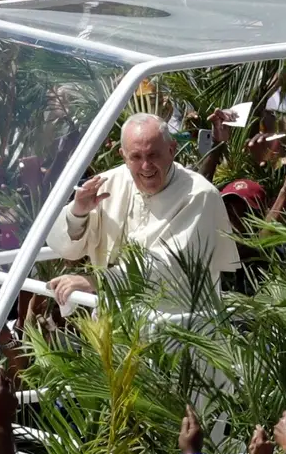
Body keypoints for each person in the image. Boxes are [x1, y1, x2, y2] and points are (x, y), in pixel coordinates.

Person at [47, 114, 241, 308]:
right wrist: (78, 213)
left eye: (153, 155)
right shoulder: (106, 184)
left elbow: (171, 267)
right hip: (115, 322)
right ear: (123, 156)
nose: (146, 166)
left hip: (178, 324)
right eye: (136, 157)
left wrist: (97, 281)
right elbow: (64, 248)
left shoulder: (200, 194)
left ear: (171, 150)